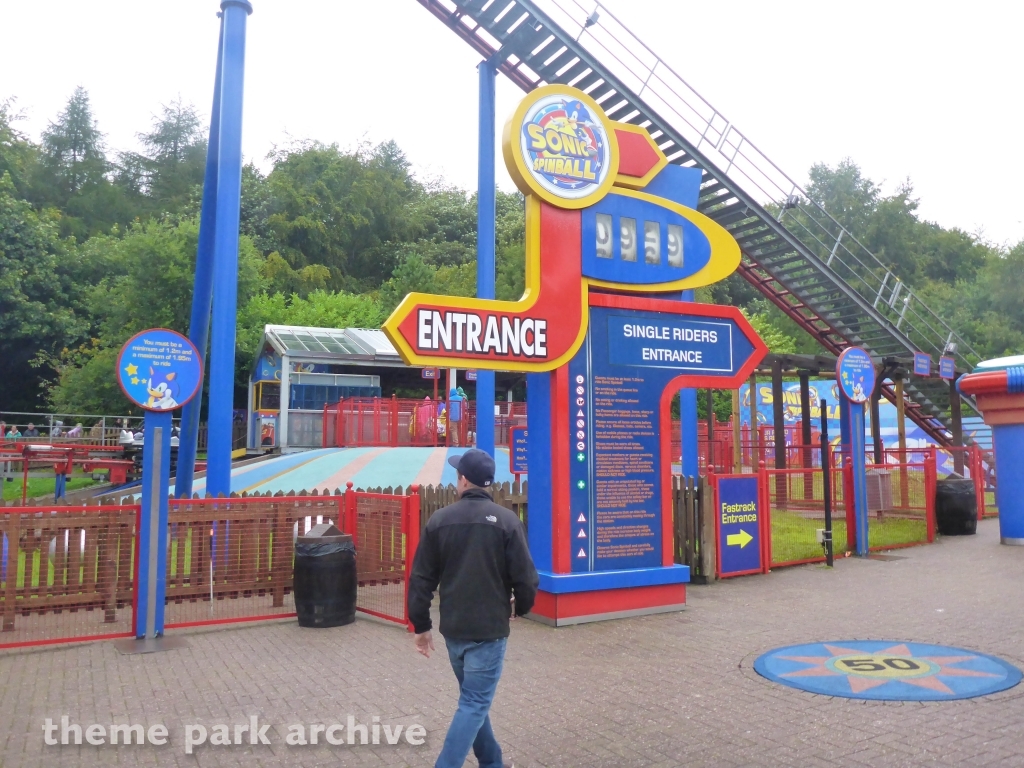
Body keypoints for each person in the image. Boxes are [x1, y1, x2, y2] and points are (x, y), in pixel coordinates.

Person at [408, 449, 537, 768]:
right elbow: (525, 577)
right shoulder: (507, 521)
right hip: (489, 630)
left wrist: (421, 625)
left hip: (454, 630)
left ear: (464, 480)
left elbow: (421, 578)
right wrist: (520, 608)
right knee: (474, 702)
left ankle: (491, 762)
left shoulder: (439, 521)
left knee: (473, 701)